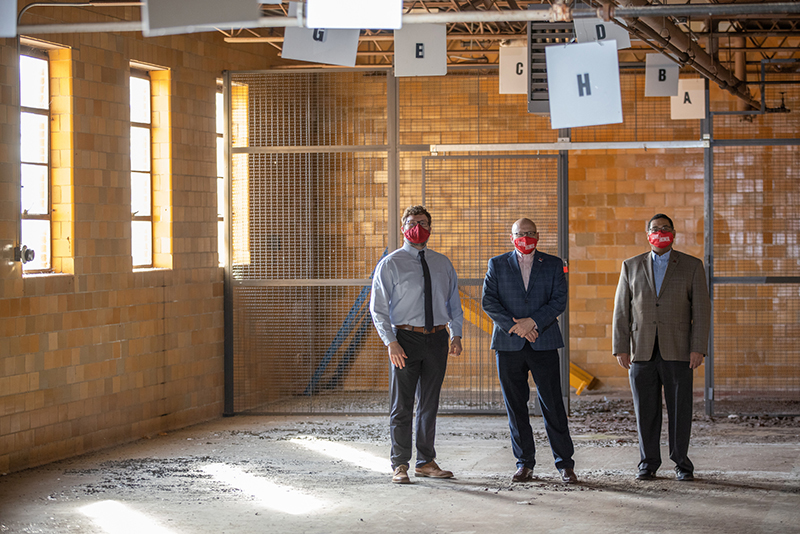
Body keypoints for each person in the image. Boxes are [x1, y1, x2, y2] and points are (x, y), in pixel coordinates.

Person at [612, 213, 711, 482]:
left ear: (674, 234)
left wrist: (698, 347)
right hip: (641, 349)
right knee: (646, 410)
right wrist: (621, 346)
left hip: (679, 350)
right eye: (655, 229)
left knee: (680, 409)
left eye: (666, 228)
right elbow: (622, 310)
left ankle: (682, 463)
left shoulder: (691, 266)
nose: (660, 232)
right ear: (648, 235)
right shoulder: (631, 266)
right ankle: (648, 462)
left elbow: (701, 310)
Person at [370, 205, 464, 484]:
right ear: (402, 228)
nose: (417, 227)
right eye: (412, 222)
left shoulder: (442, 263)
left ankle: (425, 461)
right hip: (405, 340)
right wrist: (391, 342)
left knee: (429, 403)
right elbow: (378, 309)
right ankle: (400, 463)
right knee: (402, 404)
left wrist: (455, 334)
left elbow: (453, 303)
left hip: (436, 338)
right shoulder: (391, 264)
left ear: (430, 229)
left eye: (422, 223)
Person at [481, 218, 577, 484]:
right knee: (515, 406)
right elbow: (489, 301)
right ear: (511, 237)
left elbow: (559, 300)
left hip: (543, 341)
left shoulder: (554, 264)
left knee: (553, 404)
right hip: (508, 344)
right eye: (520, 234)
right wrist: (518, 328)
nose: (525, 237)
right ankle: (524, 463)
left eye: (530, 233)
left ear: (538, 235)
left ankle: (565, 464)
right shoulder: (497, 264)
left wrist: (532, 323)